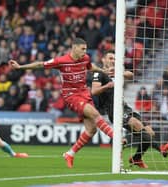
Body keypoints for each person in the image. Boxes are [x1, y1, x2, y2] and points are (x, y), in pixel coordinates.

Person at [9, 38, 114, 168]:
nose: (85, 51)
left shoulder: (85, 58)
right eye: (82, 49)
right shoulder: (61, 61)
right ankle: (116, 137)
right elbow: (40, 64)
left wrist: (103, 71)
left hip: (84, 94)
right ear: (74, 47)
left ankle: (69, 154)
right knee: (94, 113)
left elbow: (90, 66)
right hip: (71, 96)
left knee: (91, 130)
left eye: (86, 49)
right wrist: (20, 67)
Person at [91, 50, 168, 168]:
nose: (113, 60)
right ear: (103, 60)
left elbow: (131, 74)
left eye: (114, 59)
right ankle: (160, 149)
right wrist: (107, 86)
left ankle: (137, 158)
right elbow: (94, 91)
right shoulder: (99, 73)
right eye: (110, 58)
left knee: (150, 132)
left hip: (125, 107)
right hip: (114, 110)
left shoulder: (117, 72)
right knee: (137, 125)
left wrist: (120, 73)